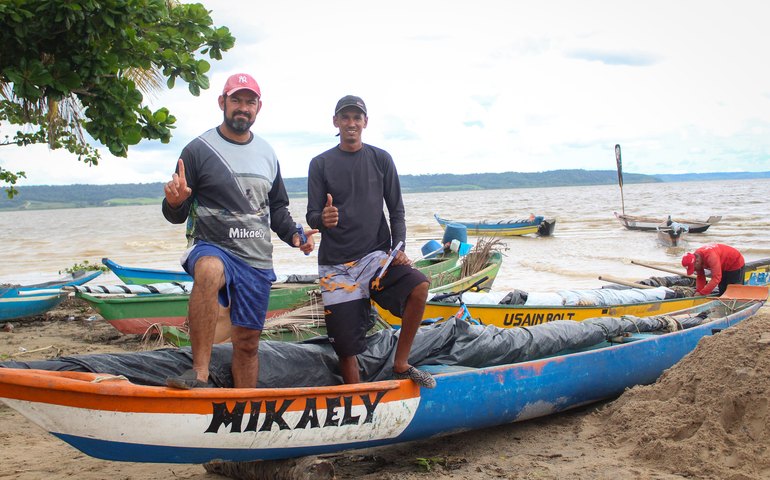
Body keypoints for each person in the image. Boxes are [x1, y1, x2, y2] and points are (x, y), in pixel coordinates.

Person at [162, 73, 317, 389]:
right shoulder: (198, 149)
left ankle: (244, 405)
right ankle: (199, 373)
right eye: (236, 100)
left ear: (259, 107)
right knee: (208, 269)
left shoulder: (267, 153)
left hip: (256, 258)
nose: (243, 108)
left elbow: (277, 208)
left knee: (247, 343)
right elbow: (176, 211)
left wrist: (295, 235)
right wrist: (174, 203)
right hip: (212, 244)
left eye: (250, 102)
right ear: (222, 102)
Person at [305, 95, 436, 389]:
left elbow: (396, 210)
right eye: (345, 117)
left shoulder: (381, 159)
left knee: (419, 286)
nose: (351, 123)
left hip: (374, 258)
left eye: (357, 117)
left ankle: (401, 363)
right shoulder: (320, 164)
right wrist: (322, 218)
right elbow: (312, 214)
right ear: (335, 122)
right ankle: (357, 397)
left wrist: (398, 249)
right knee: (346, 348)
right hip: (336, 267)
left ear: (365, 122)